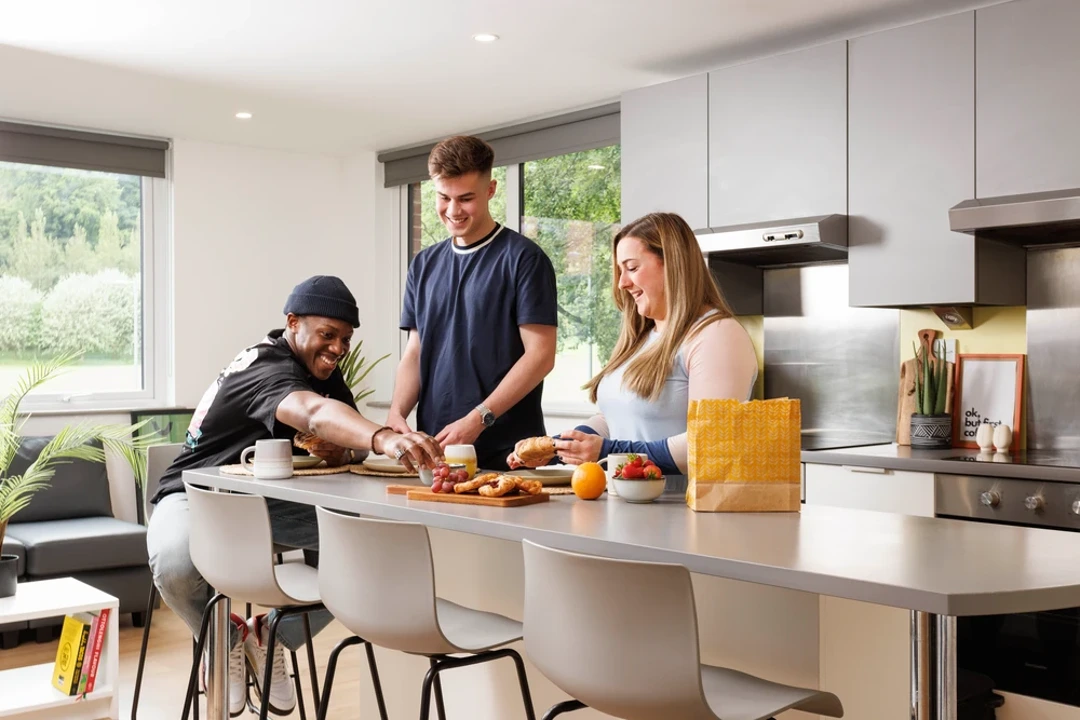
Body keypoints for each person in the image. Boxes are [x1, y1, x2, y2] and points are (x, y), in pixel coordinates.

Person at [147, 275, 441, 716]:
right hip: (196, 495)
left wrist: (338, 447)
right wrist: (382, 437)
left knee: (371, 549)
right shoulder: (264, 365)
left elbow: (335, 428)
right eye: (328, 335)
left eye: (345, 339)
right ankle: (221, 640)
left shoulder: (325, 374)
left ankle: (270, 637)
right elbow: (315, 412)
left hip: (266, 507)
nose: (338, 348)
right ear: (293, 323)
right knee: (175, 562)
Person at [534, 212, 758, 475]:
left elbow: (709, 442)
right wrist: (559, 447)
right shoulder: (641, 337)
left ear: (673, 264)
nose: (622, 283)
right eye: (620, 271)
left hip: (681, 510)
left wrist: (607, 451)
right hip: (624, 504)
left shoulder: (717, 335)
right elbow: (616, 418)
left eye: (632, 268)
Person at [388, 135, 558, 470]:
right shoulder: (423, 265)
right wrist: (396, 412)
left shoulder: (524, 259)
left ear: (491, 189)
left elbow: (541, 356)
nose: (452, 211)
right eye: (443, 197)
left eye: (465, 198)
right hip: (435, 451)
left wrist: (480, 418)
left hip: (508, 454)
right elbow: (415, 351)